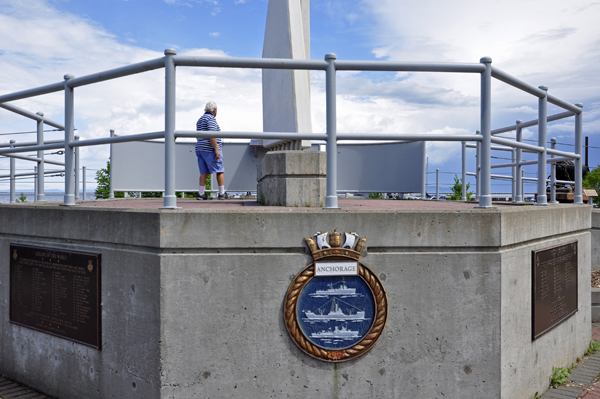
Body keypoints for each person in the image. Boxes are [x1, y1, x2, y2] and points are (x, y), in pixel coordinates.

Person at [195, 101, 228, 200]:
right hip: (210, 149)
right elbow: (212, 134)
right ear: (214, 110)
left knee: (203, 172)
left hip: (200, 148)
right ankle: (222, 193)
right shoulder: (211, 119)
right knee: (220, 170)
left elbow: (198, 136)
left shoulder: (200, 120)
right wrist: (216, 150)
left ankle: (201, 194)